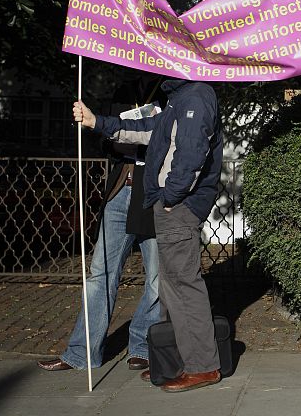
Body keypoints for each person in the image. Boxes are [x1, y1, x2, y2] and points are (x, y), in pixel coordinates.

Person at [73, 79, 224, 393]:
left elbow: (192, 152)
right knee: (171, 287)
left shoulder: (196, 95)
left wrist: (171, 196)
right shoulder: (181, 96)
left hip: (178, 205)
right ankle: (180, 361)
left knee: (183, 283)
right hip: (172, 203)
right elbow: (149, 128)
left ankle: (203, 366)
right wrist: (97, 122)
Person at [38, 82, 161, 373]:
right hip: (121, 190)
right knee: (100, 275)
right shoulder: (122, 91)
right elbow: (106, 137)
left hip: (154, 193)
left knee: (158, 278)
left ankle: (142, 346)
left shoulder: (169, 91)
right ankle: (82, 353)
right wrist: (107, 136)